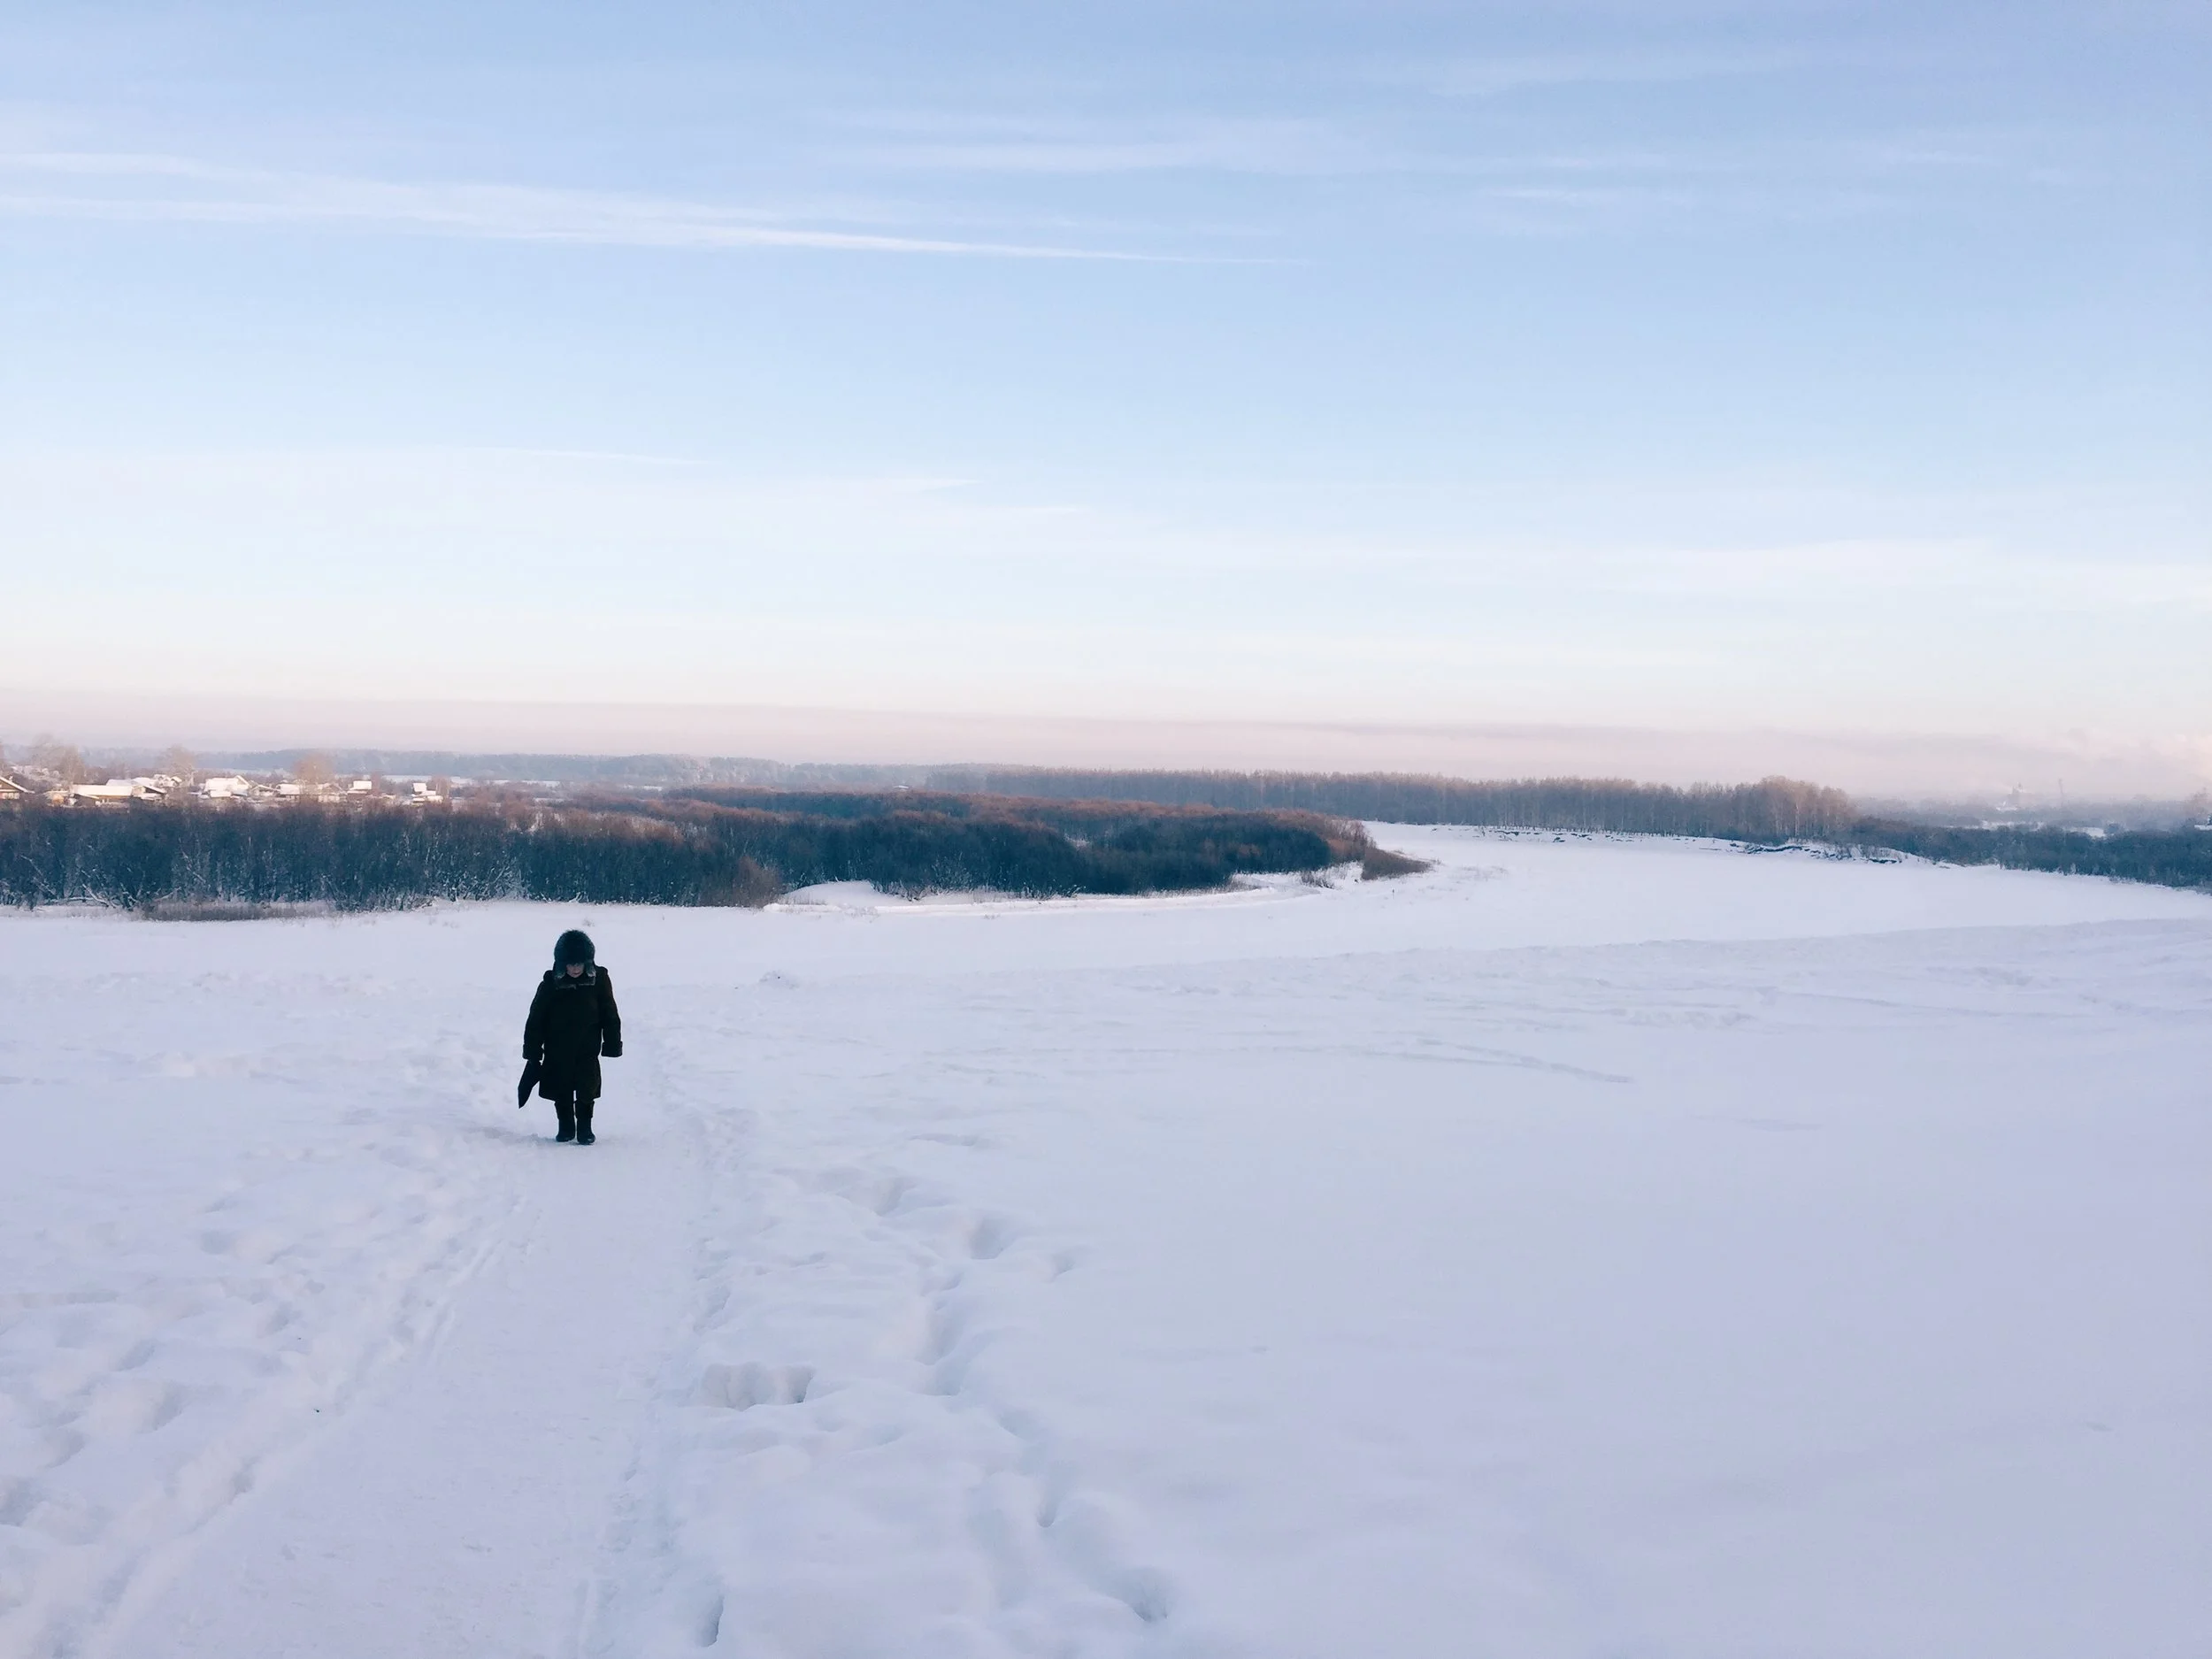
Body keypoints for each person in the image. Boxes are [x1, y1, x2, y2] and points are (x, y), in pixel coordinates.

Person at [519, 929, 623, 1144]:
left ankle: (585, 1127)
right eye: (570, 964)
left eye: (579, 964)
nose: (575, 969)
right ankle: (565, 1126)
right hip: (557, 1048)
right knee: (561, 1088)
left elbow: (610, 1013)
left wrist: (612, 1043)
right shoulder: (551, 983)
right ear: (561, 963)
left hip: (587, 1047)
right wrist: (533, 1052)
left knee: (587, 1088)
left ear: (588, 962)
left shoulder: (599, 980)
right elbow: (536, 1020)